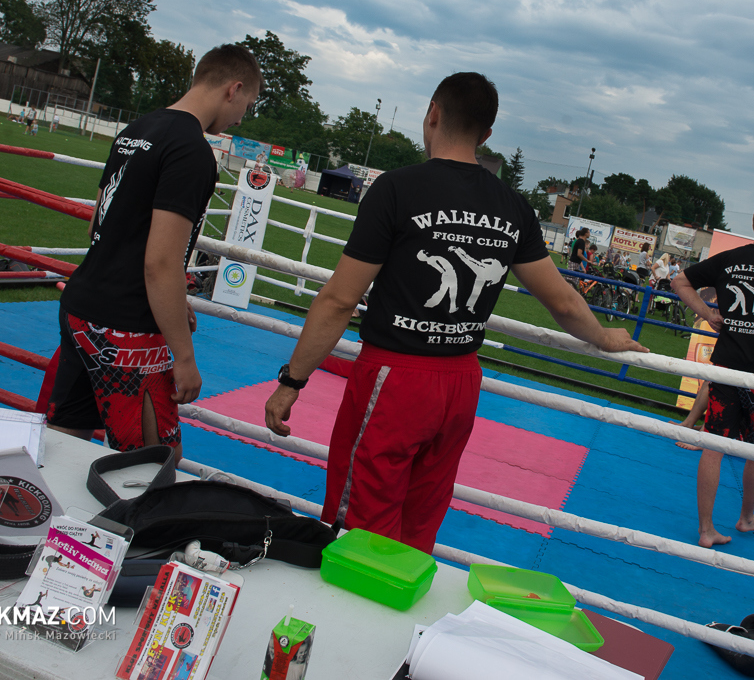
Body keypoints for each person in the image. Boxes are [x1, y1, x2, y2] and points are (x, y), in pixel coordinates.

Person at [262, 72, 646, 552]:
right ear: (486, 133)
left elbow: (340, 299)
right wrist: (605, 337)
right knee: (418, 526)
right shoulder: (512, 206)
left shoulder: (397, 188)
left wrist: (292, 381)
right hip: (461, 382)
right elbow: (564, 301)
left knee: (360, 529)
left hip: (395, 377)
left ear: (433, 113)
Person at [46, 45, 261, 459]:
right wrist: (184, 357)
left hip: (81, 305)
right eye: (246, 106)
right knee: (155, 464)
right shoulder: (191, 151)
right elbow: (160, 262)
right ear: (233, 89)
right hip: (127, 324)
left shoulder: (137, 129)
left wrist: (173, 301)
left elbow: (98, 225)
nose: (239, 119)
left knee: (63, 444)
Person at [670, 201, 754, 548]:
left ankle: (706, 530)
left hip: (727, 365)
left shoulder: (730, 259)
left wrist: (707, 313)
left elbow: (679, 281)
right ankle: (746, 518)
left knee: (713, 446)